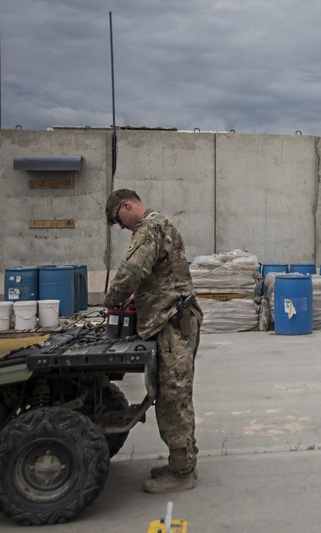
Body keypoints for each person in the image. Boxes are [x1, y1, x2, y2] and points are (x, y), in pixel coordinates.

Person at [103, 189, 204, 493]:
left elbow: (132, 271)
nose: (120, 226)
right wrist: (141, 295)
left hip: (173, 323)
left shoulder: (148, 228)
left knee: (173, 398)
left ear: (126, 204)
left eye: (117, 219)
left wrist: (111, 300)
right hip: (174, 319)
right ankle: (181, 462)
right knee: (175, 395)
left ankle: (182, 472)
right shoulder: (160, 224)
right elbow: (161, 274)